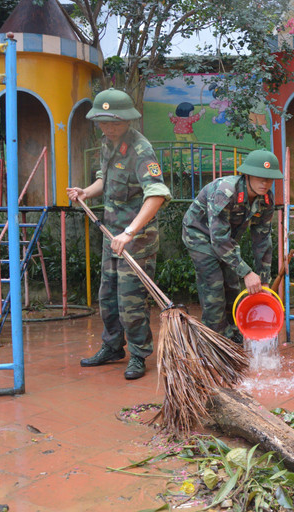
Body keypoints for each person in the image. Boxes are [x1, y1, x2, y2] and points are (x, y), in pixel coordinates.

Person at [67, 88, 171, 380]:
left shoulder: (141, 150)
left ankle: (139, 354)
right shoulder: (106, 143)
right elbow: (105, 177)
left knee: (131, 300)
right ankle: (112, 347)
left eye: (114, 122)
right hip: (110, 235)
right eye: (103, 122)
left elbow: (157, 194)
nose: (108, 127)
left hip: (136, 240)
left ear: (127, 120)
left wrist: (129, 232)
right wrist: (85, 192)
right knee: (108, 296)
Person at [182, 150, 283, 342]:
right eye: (260, 178)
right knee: (214, 286)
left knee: (231, 285)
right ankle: (216, 341)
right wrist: (246, 272)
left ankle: (233, 331)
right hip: (199, 235)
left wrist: (263, 279)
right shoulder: (226, 191)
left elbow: (262, 240)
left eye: (269, 179)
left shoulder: (266, 200)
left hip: (225, 239)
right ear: (247, 175)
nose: (265, 183)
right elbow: (218, 238)